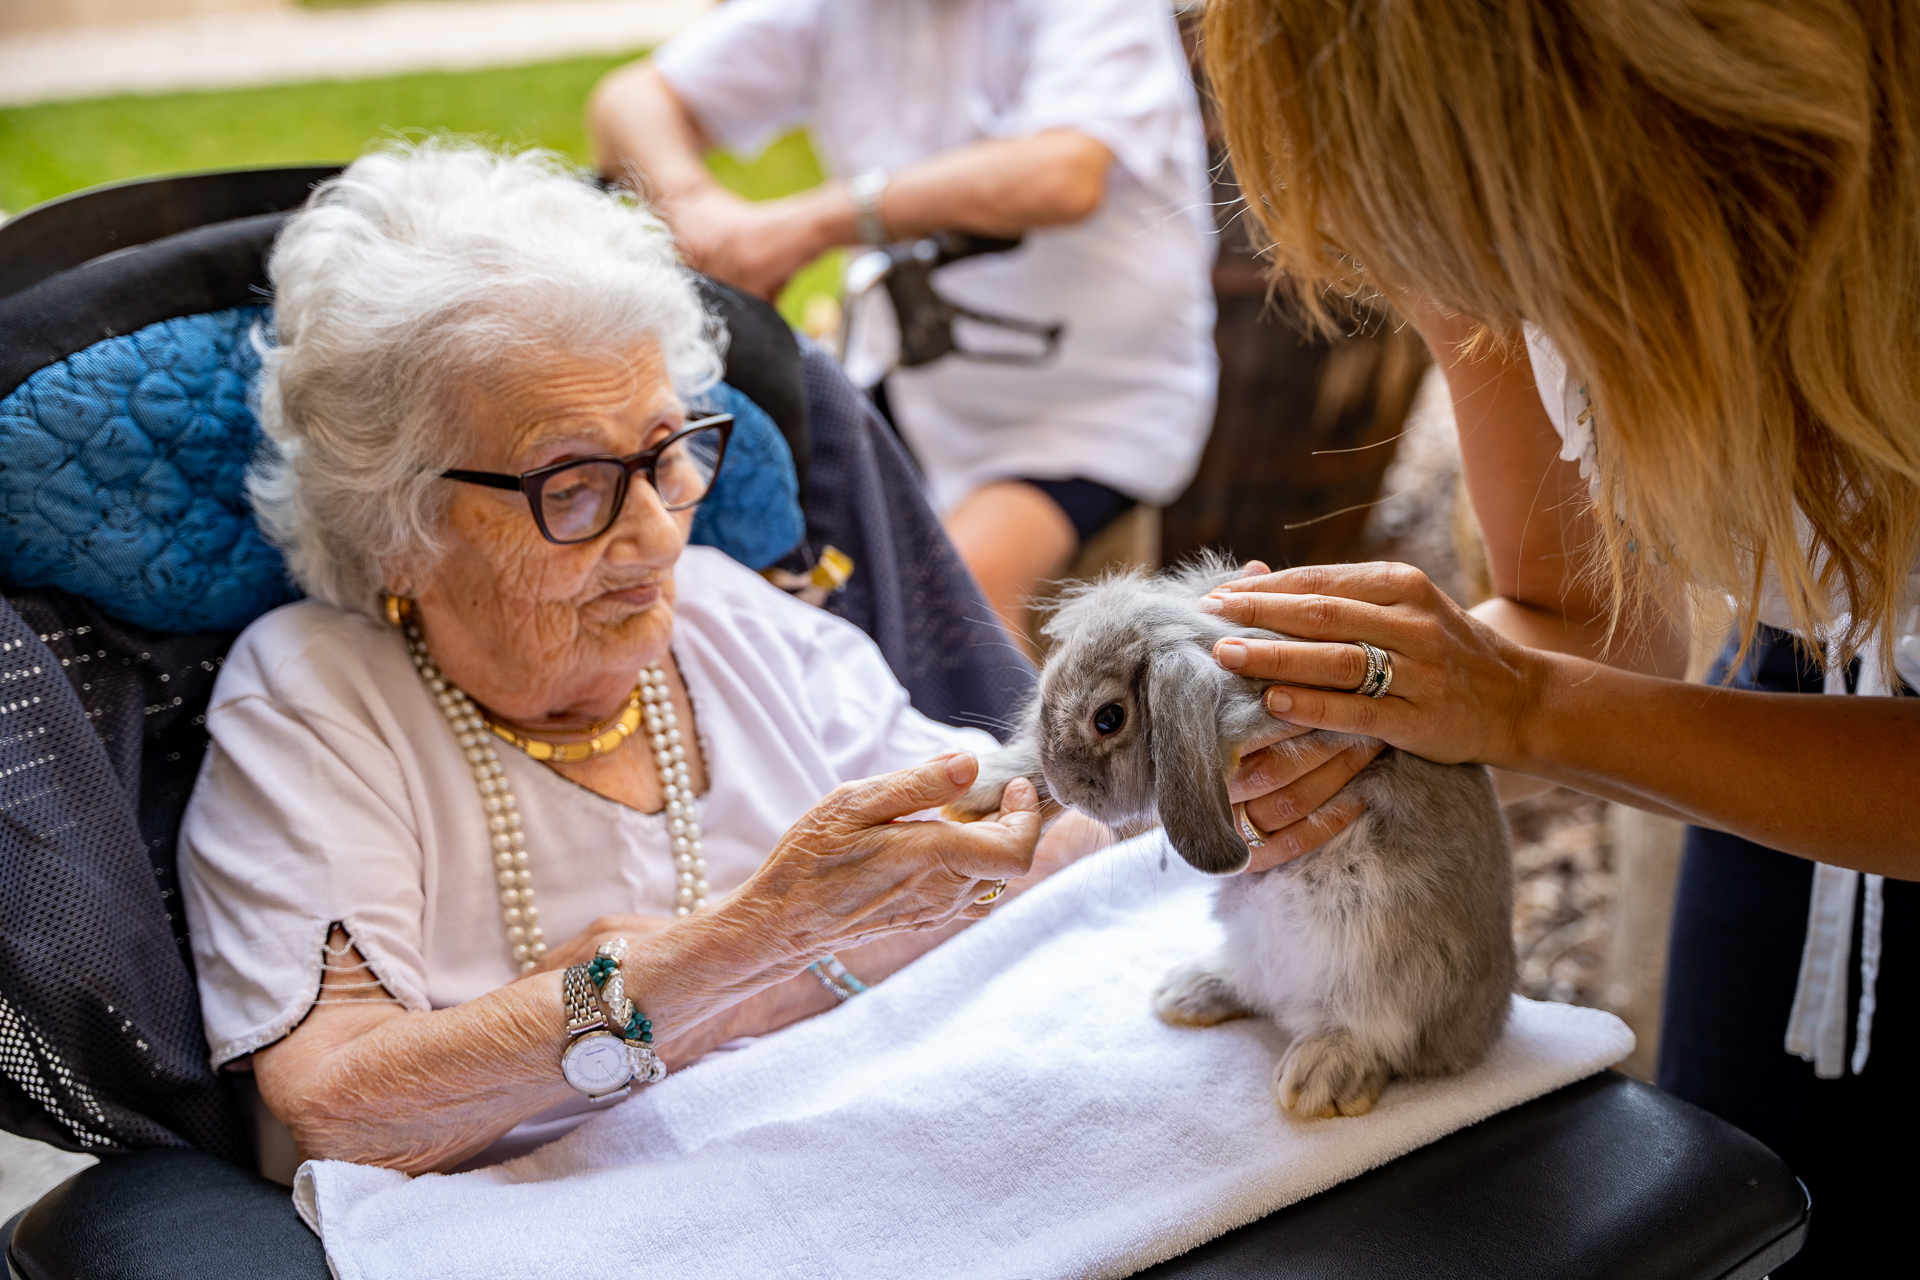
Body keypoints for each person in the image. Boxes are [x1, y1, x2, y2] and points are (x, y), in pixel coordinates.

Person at [1192, 2, 1919, 1272]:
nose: (1479, 307)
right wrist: (1363, 737)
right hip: (1807, 696)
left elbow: (1555, 693)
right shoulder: (1443, 189)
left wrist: (1525, 707)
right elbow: (1588, 623)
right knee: (1742, 1194)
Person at [178, 142, 1061, 1177]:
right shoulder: (316, 699)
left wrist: (1200, 734)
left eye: (664, 450)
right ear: (402, 523)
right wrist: (743, 947)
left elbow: (1021, 838)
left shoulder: (735, 616)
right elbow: (339, 1112)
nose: (656, 533)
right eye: (574, 483)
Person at [588, 0, 1217, 649]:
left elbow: (1064, 172)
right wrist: (694, 205)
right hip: (917, 387)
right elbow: (629, 100)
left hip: (1092, 405)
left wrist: (808, 224)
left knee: (955, 604)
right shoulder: (837, 13)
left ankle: (991, 749)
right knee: (781, 583)